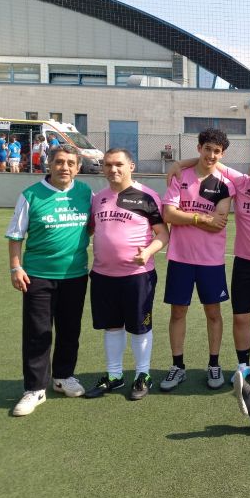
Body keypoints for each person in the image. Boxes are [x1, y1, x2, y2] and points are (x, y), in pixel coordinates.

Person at [170, 153, 250, 383]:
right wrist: (180, 163)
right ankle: (243, 364)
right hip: (244, 264)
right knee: (241, 317)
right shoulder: (241, 183)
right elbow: (211, 160)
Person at [6, 144, 92, 416]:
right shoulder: (31, 195)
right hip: (38, 276)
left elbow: (91, 226)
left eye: (70, 163)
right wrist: (15, 268)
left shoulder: (85, 193)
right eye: (59, 162)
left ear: (78, 168)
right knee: (37, 333)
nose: (64, 167)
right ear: (49, 164)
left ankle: (63, 377)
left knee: (70, 329)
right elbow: (16, 235)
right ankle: (34, 388)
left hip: (75, 275)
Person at [85, 149, 169, 400]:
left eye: (119, 164)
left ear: (131, 166)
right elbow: (90, 230)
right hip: (103, 275)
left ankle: (143, 374)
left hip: (137, 275)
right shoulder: (98, 198)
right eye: (108, 165)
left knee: (140, 327)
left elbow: (163, 233)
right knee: (112, 327)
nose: (113, 169)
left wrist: (149, 251)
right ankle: (114, 376)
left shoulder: (147, 196)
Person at [160, 128, 235, 391]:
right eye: (207, 149)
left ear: (222, 154)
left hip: (211, 261)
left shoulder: (225, 185)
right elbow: (168, 215)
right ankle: (177, 366)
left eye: (217, 151)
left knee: (213, 313)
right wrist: (200, 217)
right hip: (180, 258)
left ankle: (214, 364)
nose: (211, 155)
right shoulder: (180, 176)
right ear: (199, 148)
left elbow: (219, 223)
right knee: (178, 312)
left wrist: (186, 216)